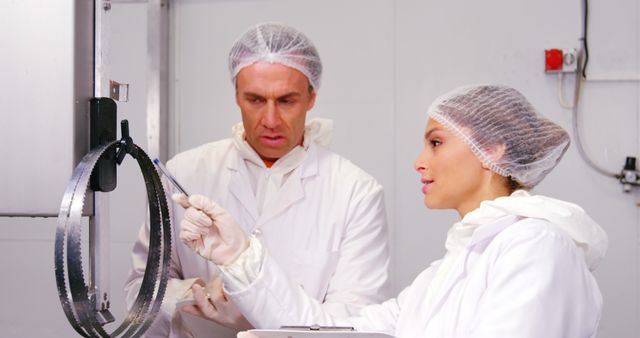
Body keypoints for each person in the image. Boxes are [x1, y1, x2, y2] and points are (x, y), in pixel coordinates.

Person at [177, 84, 608, 338]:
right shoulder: (450, 268)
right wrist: (239, 256)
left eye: (436, 143)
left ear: (491, 150)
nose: (420, 161)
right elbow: (335, 330)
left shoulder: (536, 246)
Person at [124, 23, 391, 338]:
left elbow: (352, 325)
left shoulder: (356, 192)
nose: (270, 120)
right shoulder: (185, 172)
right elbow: (139, 293)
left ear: (311, 97)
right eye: (255, 100)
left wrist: (254, 312)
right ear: (237, 95)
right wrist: (189, 294)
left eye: (287, 101)